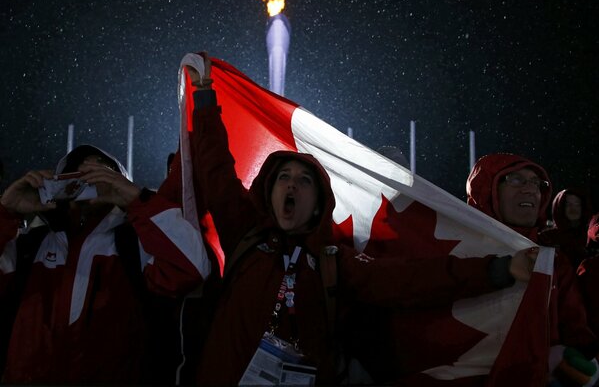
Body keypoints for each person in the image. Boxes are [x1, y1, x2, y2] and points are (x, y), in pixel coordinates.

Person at [164, 53, 538, 386]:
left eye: (304, 181)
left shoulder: (334, 262)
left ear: (318, 203)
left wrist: (500, 270)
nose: (292, 185)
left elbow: (414, 279)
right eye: (283, 178)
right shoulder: (245, 234)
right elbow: (216, 167)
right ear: (268, 190)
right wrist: (205, 94)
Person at [0, 144, 211, 384]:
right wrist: (5, 212)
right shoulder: (29, 246)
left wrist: (136, 200)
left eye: (99, 172)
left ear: (119, 180)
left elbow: (192, 269)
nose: (87, 178)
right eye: (75, 174)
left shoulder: (136, 244)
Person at [467, 153, 599, 386]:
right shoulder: (455, 251)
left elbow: (574, 321)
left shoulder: (554, 260)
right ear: (487, 189)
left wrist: (581, 355)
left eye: (537, 183)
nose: (530, 189)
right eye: (516, 179)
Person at [539, 188, 594, 268]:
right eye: (568, 204)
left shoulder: (591, 236)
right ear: (560, 207)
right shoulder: (547, 238)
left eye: (577, 204)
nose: (573, 209)